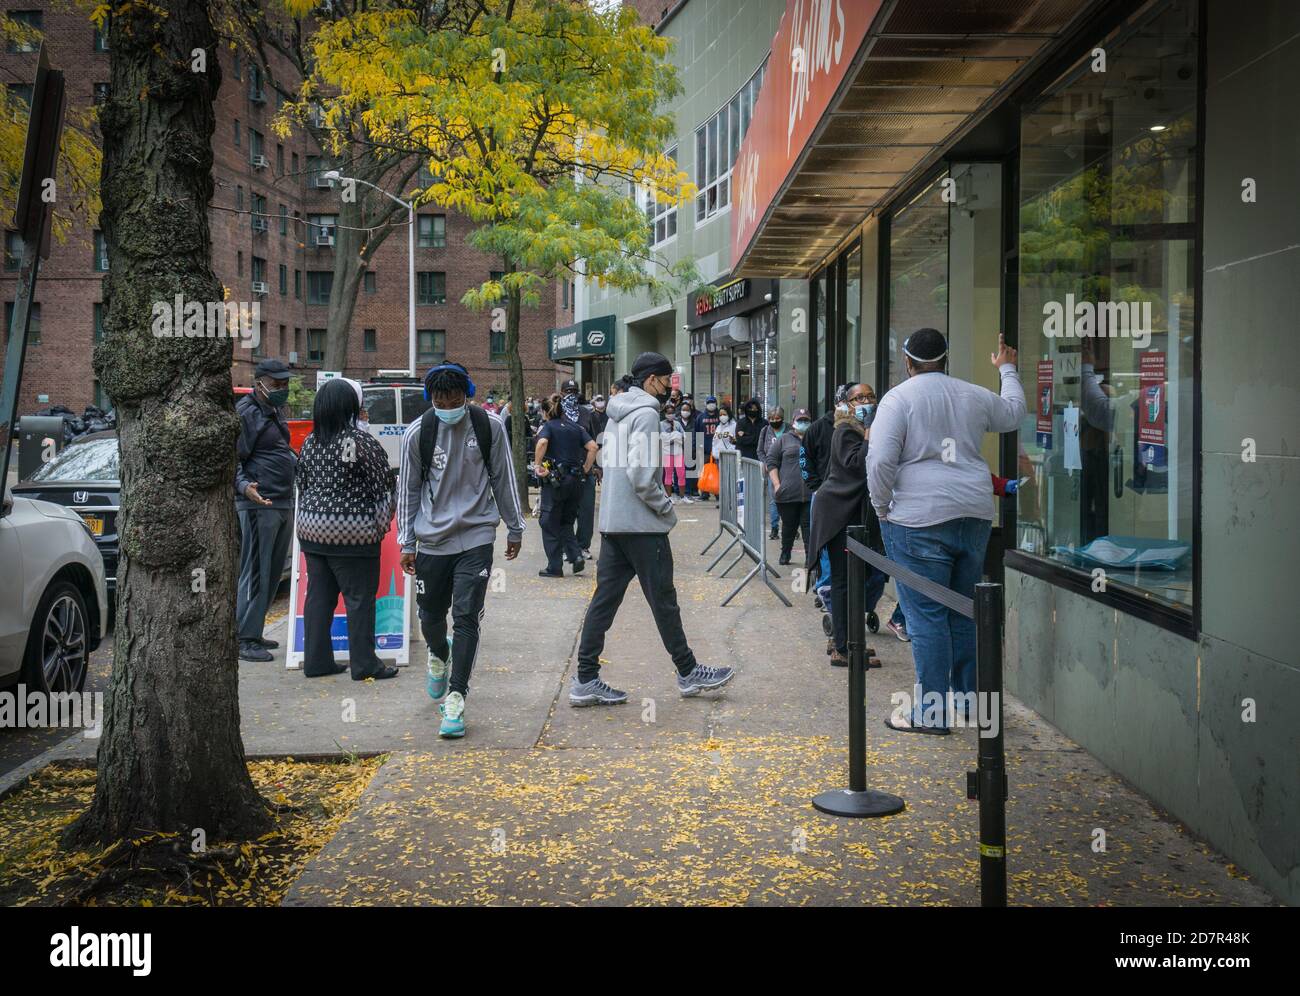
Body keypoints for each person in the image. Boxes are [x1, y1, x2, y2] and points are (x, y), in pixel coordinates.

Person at [867, 328, 1024, 734]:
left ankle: (931, 714)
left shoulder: (898, 399)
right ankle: (967, 703)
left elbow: (880, 460)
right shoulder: (972, 394)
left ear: (907, 361)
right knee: (962, 610)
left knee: (925, 617)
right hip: (974, 512)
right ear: (945, 359)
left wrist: (882, 508)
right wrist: (1007, 369)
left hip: (917, 518)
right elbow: (1013, 413)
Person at [569, 351, 735, 707]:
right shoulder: (646, 415)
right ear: (650, 380)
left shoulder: (617, 412)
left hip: (614, 523)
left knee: (604, 602)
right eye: (666, 381)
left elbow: (611, 463)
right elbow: (642, 477)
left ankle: (585, 678)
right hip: (642, 526)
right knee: (664, 602)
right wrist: (665, 508)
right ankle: (688, 671)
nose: (670, 390)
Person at [398, 361, 526, 739]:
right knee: (430, 617)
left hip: (476, 535)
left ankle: (456, 697)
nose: (447, 406)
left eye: (454, 400)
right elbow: (407, 490)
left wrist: (514, 526)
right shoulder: (418, 433)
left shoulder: (489, 427)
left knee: (467, 616)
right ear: (430, 399)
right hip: (432, 540)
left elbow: (503, 478)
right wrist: (407, 541)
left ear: (467, 395)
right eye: (440, 401)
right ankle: (439, 652)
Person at [295, 379, 398, 680]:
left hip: (312, 530)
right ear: (350, 407)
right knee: (358, 599)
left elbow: (302, 483)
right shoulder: (360, 441)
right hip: (353, 534)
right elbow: (384, 487)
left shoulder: (310, 442)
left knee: (319, 597)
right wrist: (380, 527)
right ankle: (365, 665)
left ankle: (317, 662)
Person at [806, 385, 901, 666]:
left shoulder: (863, 431)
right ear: (848, 404)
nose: (866, 401)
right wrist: (870, 431)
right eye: (859, 398)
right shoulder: (846, 431)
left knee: (855, 581)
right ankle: (843, 649)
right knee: (844, 582)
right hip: (838, 515)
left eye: (870, 396)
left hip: (853, 516)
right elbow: (859, 464)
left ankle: (847, 640)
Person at [235, 357, 298, 663]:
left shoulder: (274, 410)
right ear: (259, 383)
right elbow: (232, 458)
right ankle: (243, 638)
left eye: (285, 383)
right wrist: (244, 486)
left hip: (281, 499)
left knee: (273, 572)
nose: (282, 388)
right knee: (257, 572)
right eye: (277, 384)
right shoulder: (246, 412)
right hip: (258, 503)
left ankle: (255, 630)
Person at [535, 393, 598, 577]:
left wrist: (537, 465)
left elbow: (542, 443)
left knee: (548, 522)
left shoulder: (548, 427)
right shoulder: (575, 427)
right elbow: (593, 447)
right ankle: (576, 555)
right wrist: (586, 468)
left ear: (545, 412)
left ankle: (554, 567)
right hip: (576, 480)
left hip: (556, 481)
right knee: (566, 522)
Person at [561, 379, 600, 560]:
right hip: (564, 469)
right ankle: (567, 547)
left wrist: (596, 466)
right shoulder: (557, 412)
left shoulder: (586, 413)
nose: (571, 394)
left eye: (574, 391)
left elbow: (595, 440)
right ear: (562, 393)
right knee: (565, 510)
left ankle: (583, 545)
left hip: (585, 468)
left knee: (586, 510)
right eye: (568, 391)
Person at [767, 408, 811, 566]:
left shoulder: (814, 438)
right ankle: (785, 552)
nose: (803, 423)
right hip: (788, 493)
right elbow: (771, 461)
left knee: (808, 527)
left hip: (809, 493)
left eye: (806, 420)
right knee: (789, 526)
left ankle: (810, 558)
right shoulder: (784, 440)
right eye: (800, 420)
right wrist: (777, 485)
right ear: (793, 422)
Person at [757, 406, 785, 539]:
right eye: (771, 419)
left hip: (788, 469)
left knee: (789, 499)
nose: (774, 421)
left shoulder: (789, 429)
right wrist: (766, 463)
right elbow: (760, 450)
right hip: (772, 470)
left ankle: (789, 525)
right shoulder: (765, 431)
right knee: (774, 499)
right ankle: (774, 528)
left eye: (777, 418)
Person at [660, 403, 689, 502]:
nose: (670, 415)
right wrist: (676, 436)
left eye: (672, 412)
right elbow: (663, 439)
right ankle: (669, 497)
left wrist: (673, 437)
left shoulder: (677, 424)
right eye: (668, 413)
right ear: (665, 414)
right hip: (667, 453)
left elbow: (684, 436)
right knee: (668, 475)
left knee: (681, 474)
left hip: (678, 452)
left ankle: (682, 497)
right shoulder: (661, 424)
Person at [695, 396, 721, 502]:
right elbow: (697, 433)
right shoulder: (700, 417)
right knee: (704, 472)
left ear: (716, 403)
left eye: (713, 402)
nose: (711, 404)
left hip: (718, 449)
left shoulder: (720, 416)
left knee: (718, 472)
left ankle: (718, 493)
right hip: (704, 449)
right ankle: (704, 493)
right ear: (706, 404)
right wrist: (697, 447)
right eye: (709, 402)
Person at [733, 397, 764, 463]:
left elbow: (762, 440)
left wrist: (746, 435)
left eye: (755, 409)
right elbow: (740, 439)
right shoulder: (740, 422)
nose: (752, 410)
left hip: (758, 458)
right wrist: (754, 437)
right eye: (750, 408)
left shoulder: (764, 423)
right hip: (743, 458)